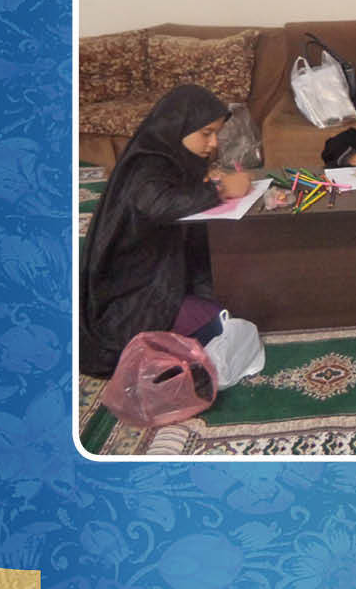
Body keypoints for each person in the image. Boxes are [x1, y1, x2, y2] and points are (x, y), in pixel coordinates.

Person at [79, 84, 252, 377]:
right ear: (178, 126)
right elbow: (160, 204)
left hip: (161, 272)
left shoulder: (170, 156)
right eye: (206, 133)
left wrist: (205, 182)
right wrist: (220, 189)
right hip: (132, 293)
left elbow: (176, 193)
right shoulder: (146, 164)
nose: (213, 144)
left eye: (216, 134)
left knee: (233, 298)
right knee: (222, 323)